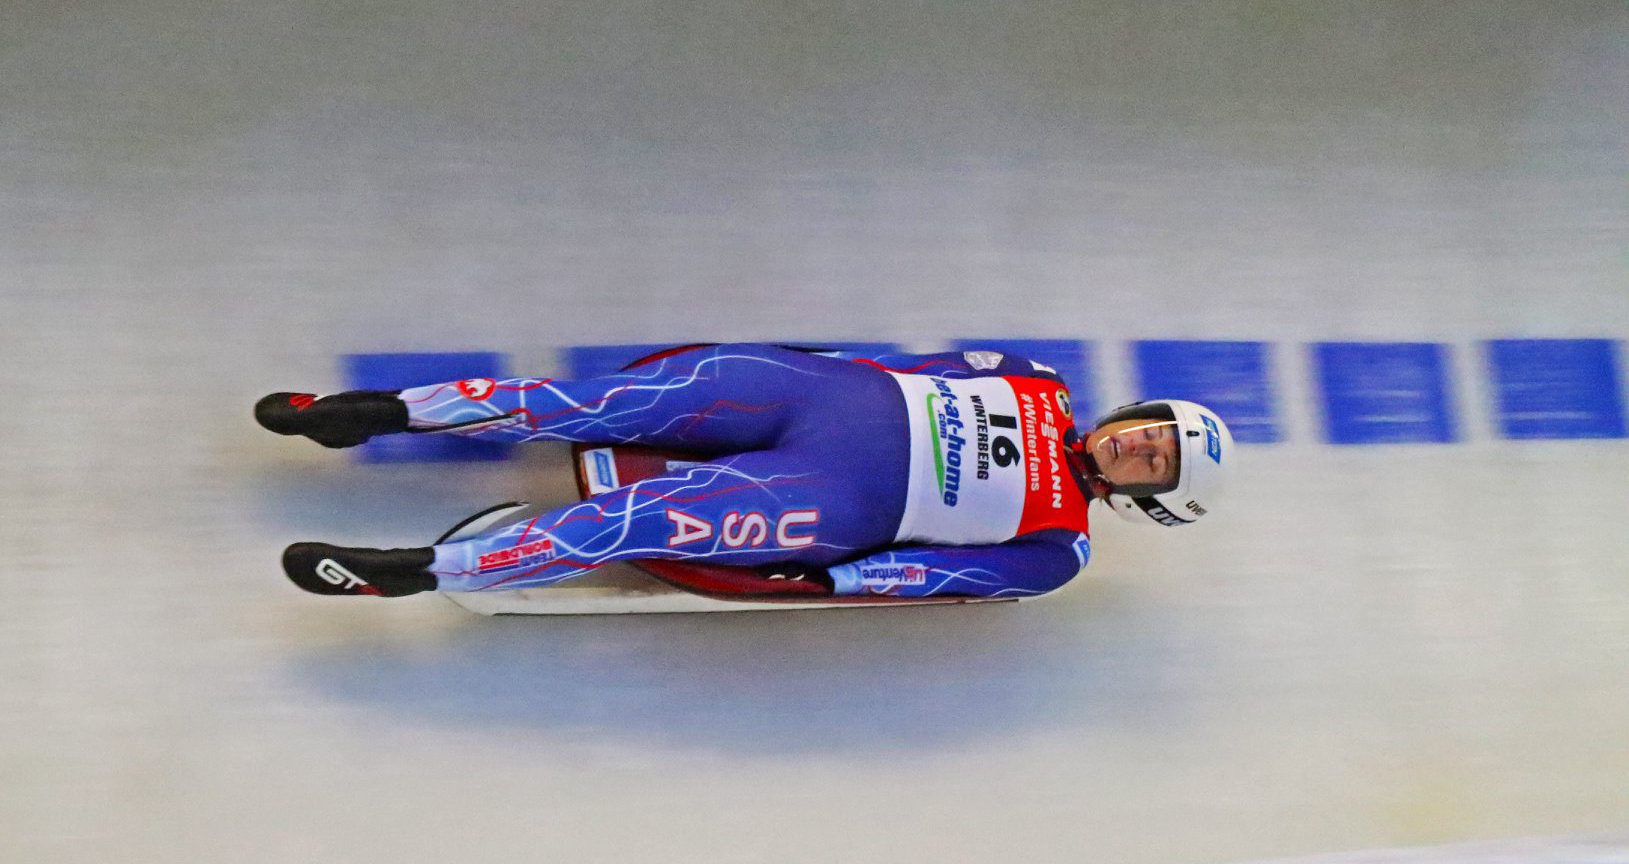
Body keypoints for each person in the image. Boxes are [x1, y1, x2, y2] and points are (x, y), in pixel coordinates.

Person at [255, 343, 1233, 600]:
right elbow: (909, 369)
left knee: (631, 520)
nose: (1140, 446)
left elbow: (946, 576)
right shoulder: (1035, 379)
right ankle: (374, 417)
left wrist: (839, 578)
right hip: (799, 393)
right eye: (1150, 431)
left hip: (826, 503)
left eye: (1155, 463)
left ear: (1150, 499)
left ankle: (417, 571)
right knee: (583, 404)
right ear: (1129, 416)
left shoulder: (1057, 546)